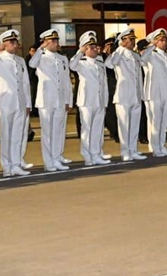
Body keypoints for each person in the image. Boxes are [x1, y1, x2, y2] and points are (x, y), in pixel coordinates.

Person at [0, 29, 34, 177]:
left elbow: (25, 82)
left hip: (20, 101)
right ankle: (7, 166)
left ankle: (16, 163)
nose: (15, 45)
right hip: (6, 102)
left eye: (15, 42)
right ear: (4, 44)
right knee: (6, 135)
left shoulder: (20, 60)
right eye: (11, 42)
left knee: (18, 134)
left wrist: (28, 103)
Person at [30, 29, 73, 171]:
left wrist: (68, 100)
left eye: (56, 41)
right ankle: (48, 161)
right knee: (48, 132)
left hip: (60, 99)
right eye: (52, 41)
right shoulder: (41, 57)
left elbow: (66, 81)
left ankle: (56, 158)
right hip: (46, 100)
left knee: (58, 131)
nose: (55, 43)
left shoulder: (62, 59)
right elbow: (32, 64)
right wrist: (40, 48)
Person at [70, 31, 111, 165]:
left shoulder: (99, 61)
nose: (95, 49)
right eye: (91, 47)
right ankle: (87, 155)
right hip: (86, 100)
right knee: (87, 129)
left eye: (95, 46)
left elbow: (103, 83)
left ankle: (96, 152)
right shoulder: (80, 61)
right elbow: (72, 66)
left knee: (98, 129)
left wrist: (105, 100)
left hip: (98, 100)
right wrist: (79, 52)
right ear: (85, 48)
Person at [105, 27, 146, 161]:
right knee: (124, 125)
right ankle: (125, 151)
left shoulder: (135, 55)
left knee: (134, 124)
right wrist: (120, 48)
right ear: (122, 41)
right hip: (123, 95)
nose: (133, 42)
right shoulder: (119, 54)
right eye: (130, 39)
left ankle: (133, 149)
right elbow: (109, 64)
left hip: (135, 94)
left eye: (134, 39)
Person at [140, 28, 167, 156]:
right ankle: (154, 147)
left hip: (166, 92)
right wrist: (151, 45)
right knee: (155, 121)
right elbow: (142, 59)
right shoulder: (149, 54)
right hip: (154, 93)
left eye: (165, 40)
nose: (164, 42)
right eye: (161, 40)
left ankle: (161, 144)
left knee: (164, 121)